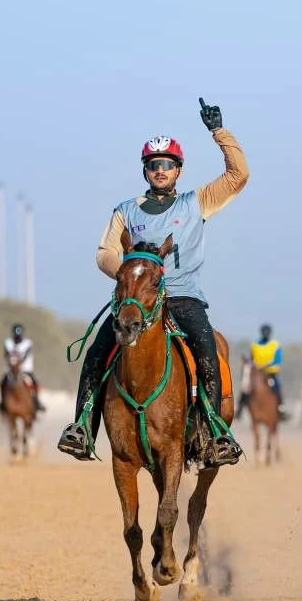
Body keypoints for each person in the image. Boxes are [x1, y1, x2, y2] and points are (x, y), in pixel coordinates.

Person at [57, 97, 248, 465]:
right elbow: (104, 252)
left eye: (167, 165)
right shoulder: (125, 210)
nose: (160, 170)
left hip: (182, 298)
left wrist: (219, 133)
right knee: (96, 353)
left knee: (207, 349)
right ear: (146, 170)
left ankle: (214, 432)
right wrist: (132, 276)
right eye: (154, 165)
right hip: (135, 300)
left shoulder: (197, 203)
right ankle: (82, 427)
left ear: (178, 169)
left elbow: (238, 175)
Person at [242, 323, 289, 419]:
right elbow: (251, 358)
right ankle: (240, 408)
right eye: (264, 332)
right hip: (256, 373)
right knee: (245, 386)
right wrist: (249, 362)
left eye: (267, 332)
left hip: (270, 373)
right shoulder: (254, 345)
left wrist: (266, 366)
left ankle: (281, 408)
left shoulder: (275, 345)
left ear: (270, 333)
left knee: (277, 386)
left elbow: (277, 361)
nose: (265, 334)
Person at [0, 322, 45, 412]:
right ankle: (3, 402)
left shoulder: (28, 343)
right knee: (2, 383)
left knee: (34, 383)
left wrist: (18, 363)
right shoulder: (7, 343)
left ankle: (36, 402)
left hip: (25, 369)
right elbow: (6, 355)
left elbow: (25, 356)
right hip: (10, 370)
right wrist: (12, 363)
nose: (17, 338)